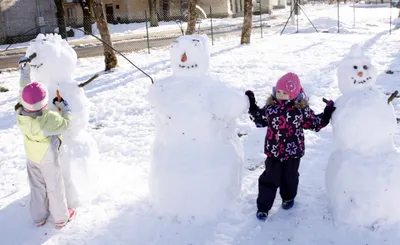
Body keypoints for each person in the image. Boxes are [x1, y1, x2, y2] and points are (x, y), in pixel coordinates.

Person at [245, 72, 335, 221]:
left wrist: (326, 113)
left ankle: (288, 198)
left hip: (293, 153)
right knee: (269, 179)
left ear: (293, 94)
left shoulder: (301, 111)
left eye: (285, 93)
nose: (280, 95)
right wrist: (252, 104)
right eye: (278, 91)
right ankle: (263, 207)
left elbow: (315, 123)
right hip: (274, 153)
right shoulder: (271, 109)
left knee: (290, 178)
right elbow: (259, 120)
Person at [16, 81, 76, 228]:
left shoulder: (20, 114)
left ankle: (38, 217)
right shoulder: (48, 118)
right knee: (54, 187)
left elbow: (21, 92)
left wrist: (24, 72)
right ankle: (61, 218)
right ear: (44, 103)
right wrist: (65, 109)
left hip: (31, 156)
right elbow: (66, 124)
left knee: (37, 187)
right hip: (48, 157)